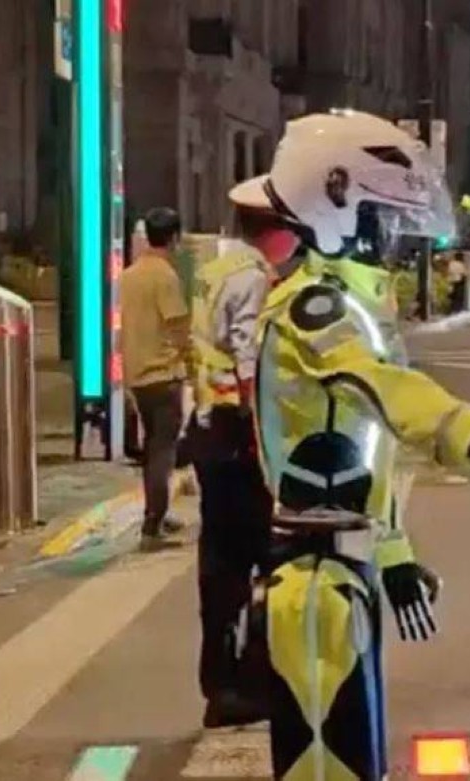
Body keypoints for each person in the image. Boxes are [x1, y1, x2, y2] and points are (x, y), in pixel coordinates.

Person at [230, 111, 470, 780]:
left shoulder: (345, 304)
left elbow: (363, 454)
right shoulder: (317, 309)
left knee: (354, 754)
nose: (390, 238)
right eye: (379, 220)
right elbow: (386, 389)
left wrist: (392, 557)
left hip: (339, 569)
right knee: (327, 763)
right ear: (337, 209)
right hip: (314, 579)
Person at [188, 189, 300, 728]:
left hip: (209, 427)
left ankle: (222, 679)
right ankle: (246, 681)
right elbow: (249, 357)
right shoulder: (253, 276)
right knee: (267, 552)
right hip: (238, 433)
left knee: (219, 560)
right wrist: (266, 437)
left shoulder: (218, 267)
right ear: (276, 231)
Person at [120, 207, 189, 551]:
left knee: (152, 448)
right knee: (163, 452)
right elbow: (178, 326)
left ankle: (158, 514)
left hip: (137, 374)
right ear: (174, 237)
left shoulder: (129, 275)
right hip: (163, 374)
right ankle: (153, 525)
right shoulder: (165, 277)